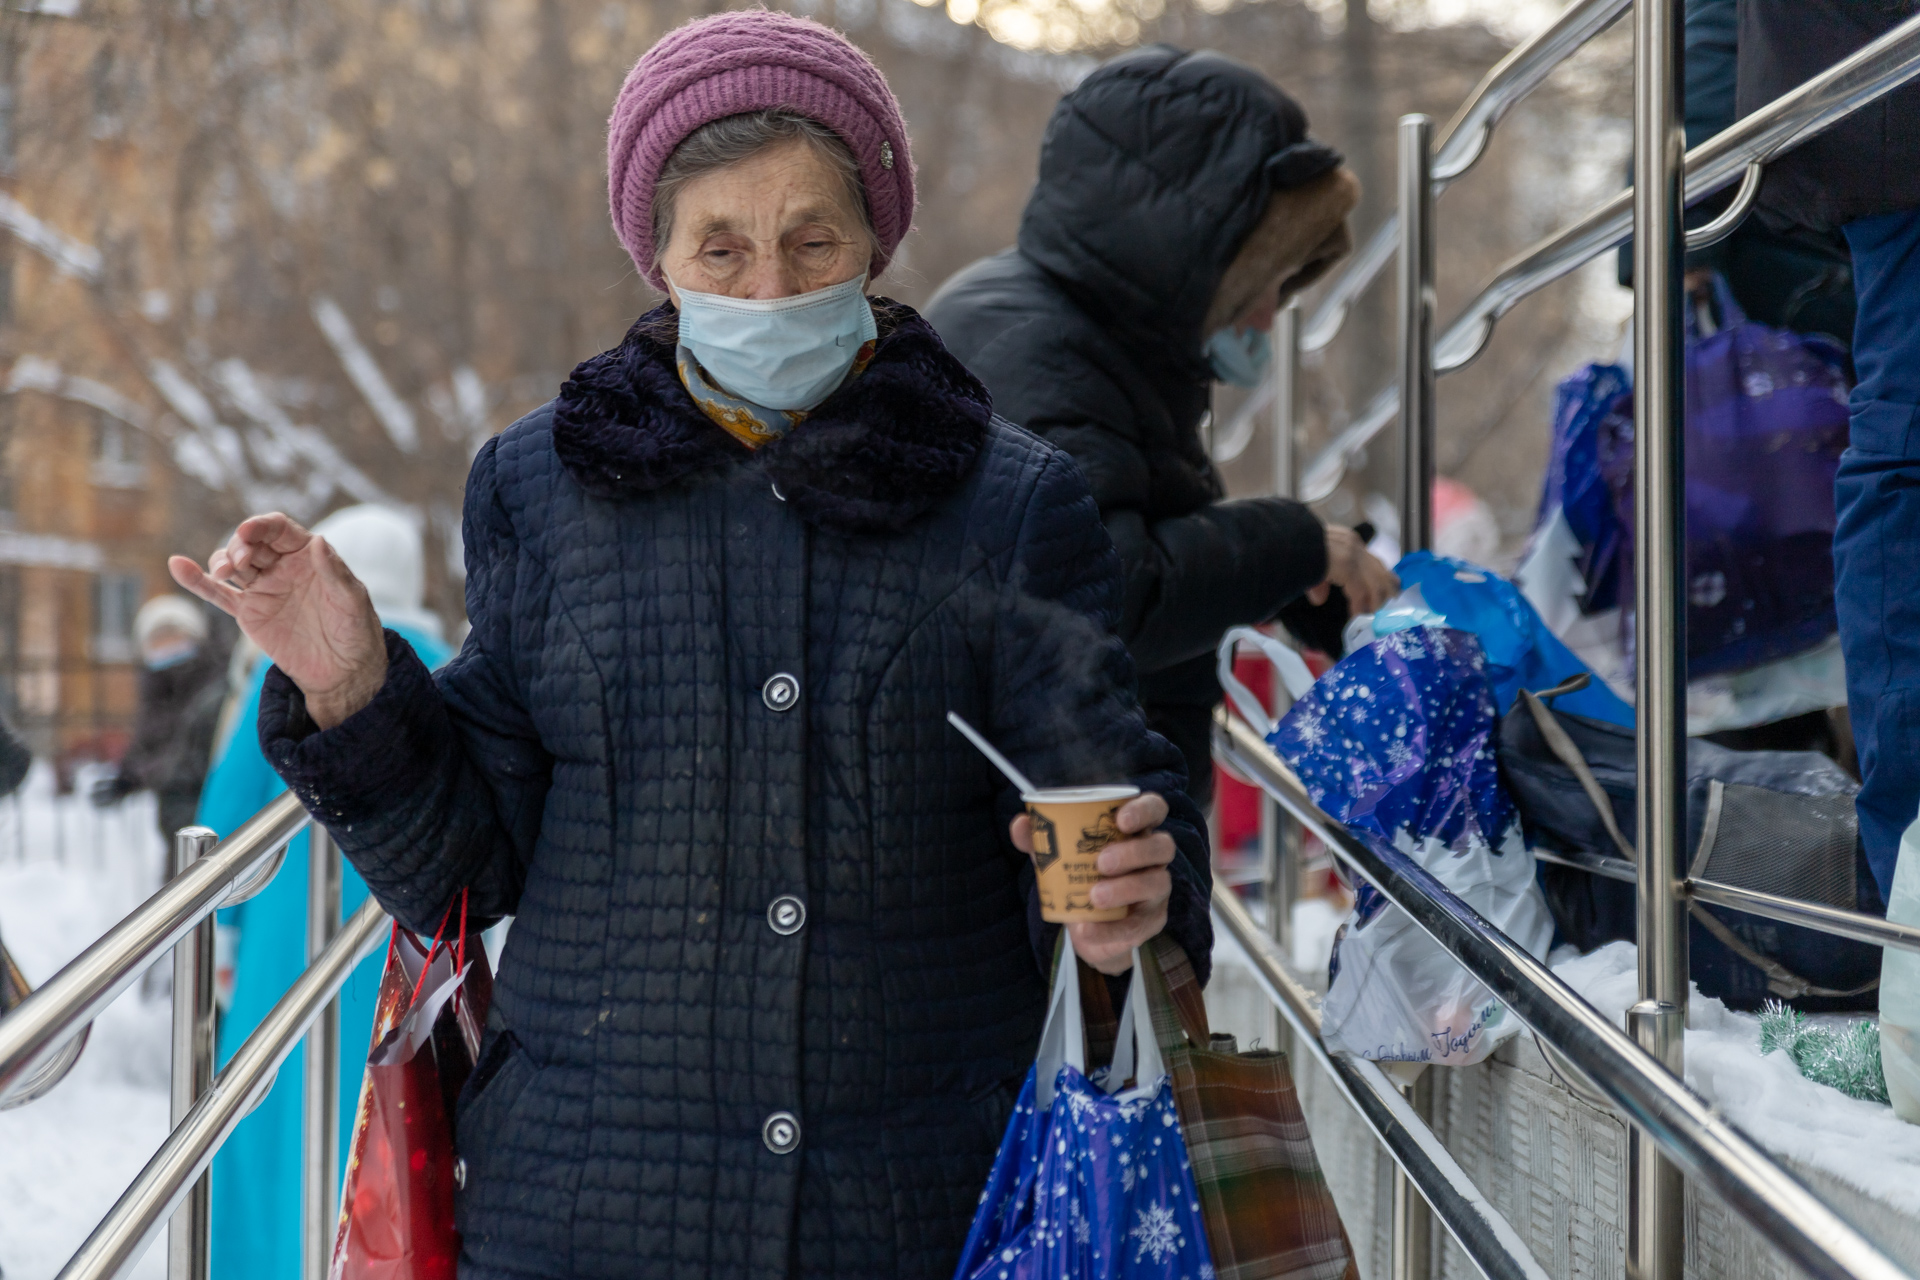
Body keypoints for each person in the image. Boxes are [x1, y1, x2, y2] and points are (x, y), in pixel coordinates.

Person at [169, 13, 1210, 1278]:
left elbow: (1102, 790)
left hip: (919, 1208)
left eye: (810, 240)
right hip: (582, 1212)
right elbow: (466, 865)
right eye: (720, 247)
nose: (768, 286)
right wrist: (347, 679)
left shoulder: (1009, 501)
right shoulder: (537, 487)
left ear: (874, 242)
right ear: (656, 258)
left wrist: (1124, 920)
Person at [924, 46, 1398, 804]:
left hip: (1074, 794)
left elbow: (1152, 524)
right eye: (1265, 282)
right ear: (1188, 257)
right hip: (1044, 830)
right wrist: (1296, 544)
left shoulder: (1094, 333)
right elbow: (1110, 589)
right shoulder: (1038, 347)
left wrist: (1300, 589)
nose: (1272, 315)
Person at [199, 505, 452, 1280]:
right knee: (387, 1129)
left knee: (276, 1120)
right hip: (412, 935)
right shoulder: (449, 662)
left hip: (288, 937)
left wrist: (226, 938)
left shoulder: (298, 664)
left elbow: (228, 811)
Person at [1738, 1, 1920, 903]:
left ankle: (1910, 897)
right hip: (1887, 82)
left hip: (1865, 96)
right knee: (1904, 449)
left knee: (1899, 441)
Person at [89, 594, 227, 841]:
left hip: (210, 805)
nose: (167, 646)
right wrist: (126, 779)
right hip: (176, 814)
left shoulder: (213, 688)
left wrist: (145, 774)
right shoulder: (155, 690)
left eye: (173, 635)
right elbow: (148, 741)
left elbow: (189, 754)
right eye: (157, 640)